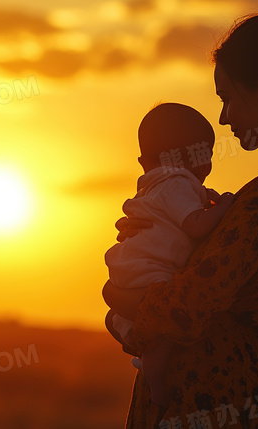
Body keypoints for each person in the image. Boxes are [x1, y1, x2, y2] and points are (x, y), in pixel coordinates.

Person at [102, 0, 258, 428]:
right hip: (250, 390)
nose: (222, 118)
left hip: (214, 394)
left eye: (228, 98)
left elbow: (185, 305)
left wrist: (115, 293)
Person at [104, 102, 235, 407]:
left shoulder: (154, 188)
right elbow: (195, 225)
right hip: (150, 271)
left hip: (128, 267)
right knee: (165, 325)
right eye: (206, 155)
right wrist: (227, 209)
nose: (208, 166)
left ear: (142, 162)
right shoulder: (178, 184)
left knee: (139, 318)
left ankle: (127, 330)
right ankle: (156, 376)